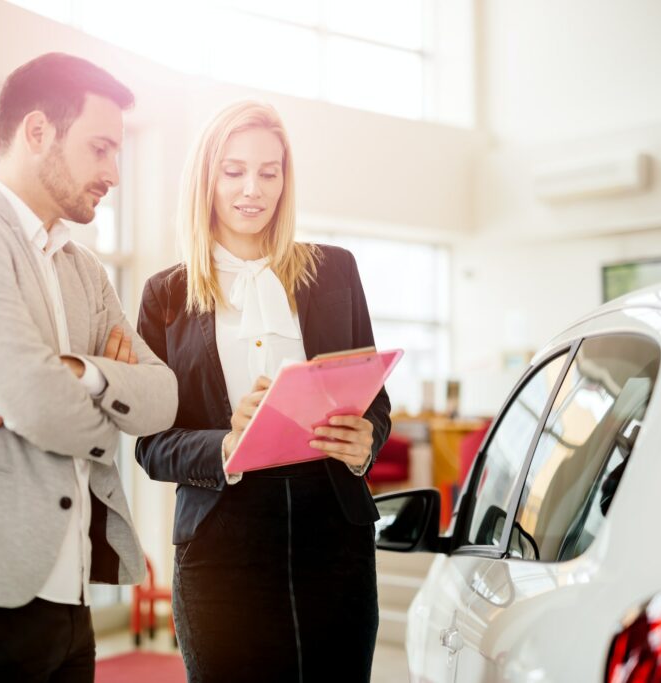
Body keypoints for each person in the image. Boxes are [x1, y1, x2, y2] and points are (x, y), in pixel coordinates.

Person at [0, 52, 178, 682]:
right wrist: (71, 398)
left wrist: (79, 370)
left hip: (66, 601)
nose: (114, 173)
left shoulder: (83, 269)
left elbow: (163, 399)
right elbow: (45, 410)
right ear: (39, 132)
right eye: (100, 148)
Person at [135, 101, 391, 683]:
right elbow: (151, 445)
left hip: (333, 533)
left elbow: (374, 401)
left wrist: (365, 440)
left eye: (269, 172)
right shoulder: (165, 296)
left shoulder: (335, 272)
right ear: (207, 178)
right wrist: (225, 444)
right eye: (234, 171)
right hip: (223, 542)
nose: (253, 189)